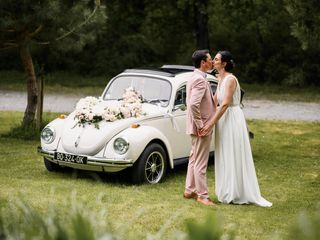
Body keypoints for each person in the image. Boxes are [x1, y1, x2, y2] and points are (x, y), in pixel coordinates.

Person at [200, 50, 272, 207]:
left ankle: (237, 191)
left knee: (233, 151)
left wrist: (211, 123)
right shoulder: (219, 79)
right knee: (224, 152)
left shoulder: (231, 79)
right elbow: (214, 101)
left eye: (217, 59)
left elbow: (225, 104)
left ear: (224, 63)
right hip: (223, 119)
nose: (214, 61)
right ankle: (227, 190)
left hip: (232, 118)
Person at [184, 49, 216, 206]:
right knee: (201, 163)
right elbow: (193, 104)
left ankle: (189, 190)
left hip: (195, 126)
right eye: (210, 59)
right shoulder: (200, 80)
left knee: (194, 158)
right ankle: (203, 196)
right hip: (200, 128)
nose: (212, 62)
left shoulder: (194, 77)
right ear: (203, 63)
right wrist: (201, 125)